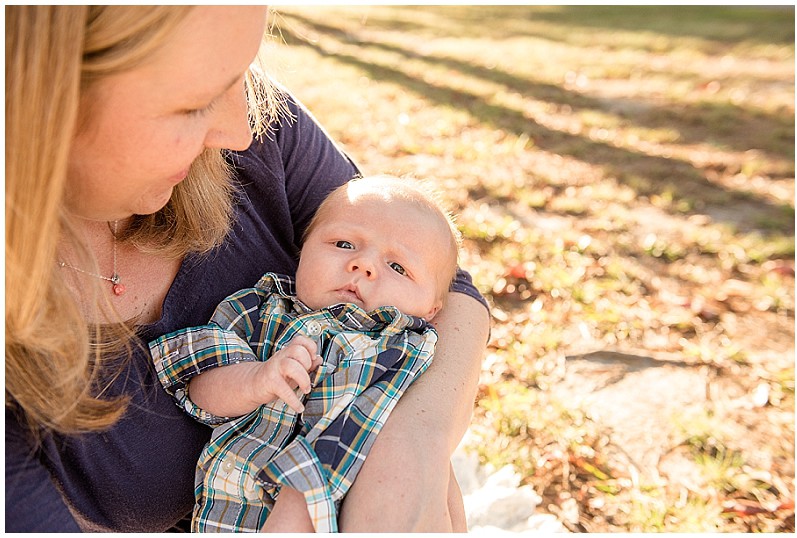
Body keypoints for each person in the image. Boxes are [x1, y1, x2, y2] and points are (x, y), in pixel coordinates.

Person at [5, 6, 490, 532]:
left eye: (242, 74)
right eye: (193, 104)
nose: (242, 130)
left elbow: (446, 280)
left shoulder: (261, 123)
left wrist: (414, 442)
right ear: (39, 104)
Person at [150, 175, 462, 532]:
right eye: (344, 243)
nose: (364, 265)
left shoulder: (403, 348)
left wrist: (299, 506)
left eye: (397, 267)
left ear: (431, 310)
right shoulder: (259, 310)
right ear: (304, 249)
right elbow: (198, 390)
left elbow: (382, 442)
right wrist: (255, 379)